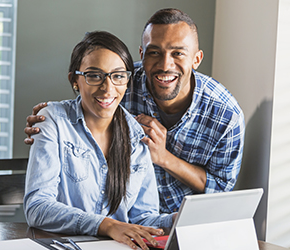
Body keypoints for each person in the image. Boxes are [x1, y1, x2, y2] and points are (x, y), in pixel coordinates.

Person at [24, 8, 245, 214]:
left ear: (196, 59)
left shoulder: (226, 115)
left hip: (175, 222)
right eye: (154, 52)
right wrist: (52, 120)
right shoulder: (122, 80)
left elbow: (221, 190)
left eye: (178, 53)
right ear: (142, 54)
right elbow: (92, 92)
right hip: (120, 221)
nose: (165, 65)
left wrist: (164, 158)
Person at [23, 31, 175, 250]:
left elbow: (142, 218)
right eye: (94, 75)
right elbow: (37, 208)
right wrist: (107, 225)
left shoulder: (137, 136)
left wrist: (174, 220)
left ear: (127, 81)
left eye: (118, 76)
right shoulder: (53, 121)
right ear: (75, 80)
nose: (107, 88)